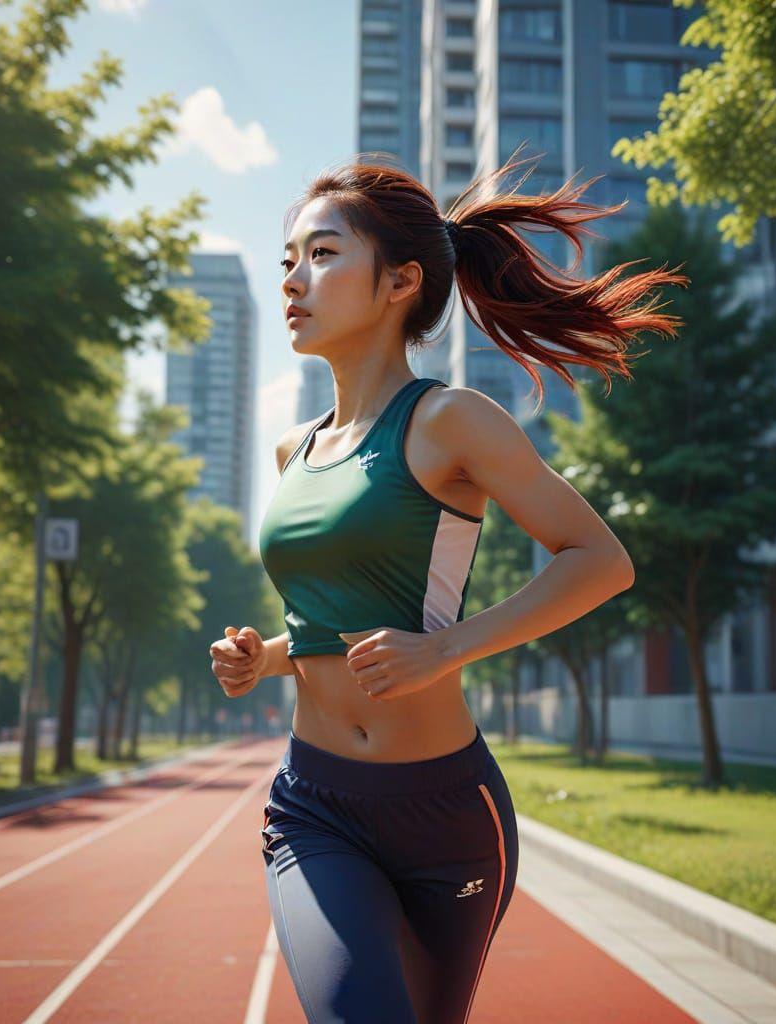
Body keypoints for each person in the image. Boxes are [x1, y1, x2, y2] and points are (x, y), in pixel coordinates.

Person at [208, 148, 686, 1023]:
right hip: (313, 804)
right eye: (289, 260)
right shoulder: (292, 450)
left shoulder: (451, 420)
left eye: (323, 254)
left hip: (445, 814)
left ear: (401, 282)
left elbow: (598, 559)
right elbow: (327, 624)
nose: (293, 280)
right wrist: (263, 658)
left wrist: (446, 650)